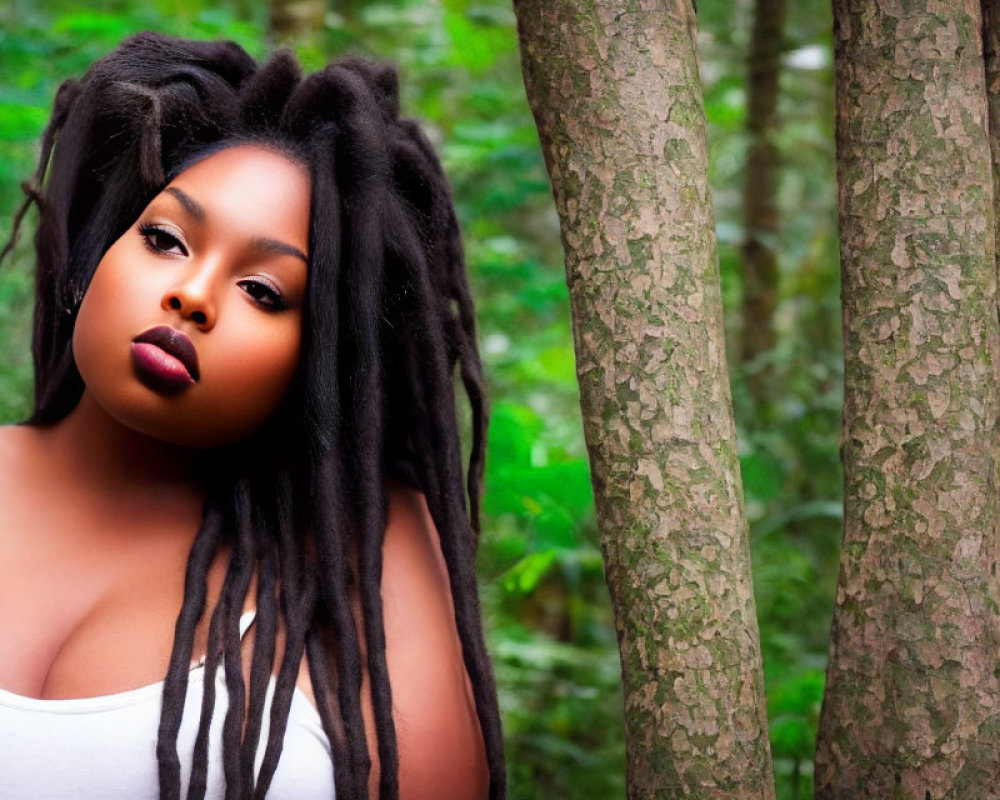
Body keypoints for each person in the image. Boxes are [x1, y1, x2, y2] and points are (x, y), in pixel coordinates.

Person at [0, 32, 504, 800]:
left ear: (319, 362)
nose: (193, 296)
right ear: (100, 249)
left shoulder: (360, 553)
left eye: (264, 292)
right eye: (165, 239)